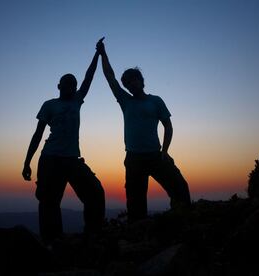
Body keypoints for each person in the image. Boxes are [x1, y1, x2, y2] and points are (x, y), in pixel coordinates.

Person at [96, 39, 191, 222]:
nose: (130, 85)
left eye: (133, 81)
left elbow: (168, 126)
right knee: (136, 203)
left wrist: (165, 151)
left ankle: (181, 222)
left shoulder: (155, 101)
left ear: (141, 81)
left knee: (180, 188)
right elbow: (109, 76)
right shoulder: (125, 101)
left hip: (156, 155)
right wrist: (103, 53)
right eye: (127, 83)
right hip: (134, 158)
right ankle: (138, 234)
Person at [22, 39, 105, 242]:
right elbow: (37, 134)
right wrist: (27, 162)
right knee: (49, 203)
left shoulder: (77, 100)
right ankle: (52, 243)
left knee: (95, 193)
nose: (71, 86)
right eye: (67, 83)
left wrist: (98, 54)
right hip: (50, 159)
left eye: (73, 85)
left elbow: (89, 77)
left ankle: (93, 234)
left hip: (72, 159)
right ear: (59, 85)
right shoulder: (49, 105)